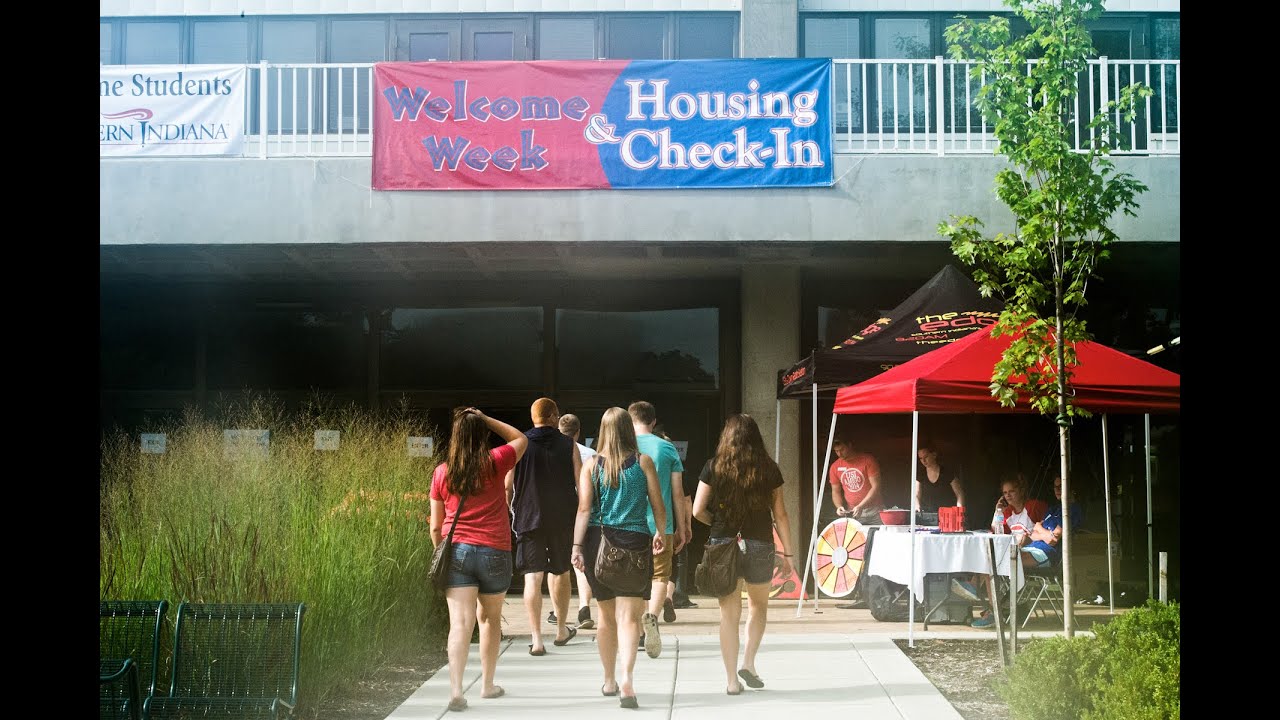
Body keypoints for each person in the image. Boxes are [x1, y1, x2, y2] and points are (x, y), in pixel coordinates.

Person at [429, 407, 528, 712]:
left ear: (455, 437)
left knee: (459, 623)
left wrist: (441, 550)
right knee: (489, 620)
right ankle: (487, 685)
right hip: (495, 550)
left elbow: (435, 525)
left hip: (457, 550)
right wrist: (485, 419)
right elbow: (520, 438)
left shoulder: (442, 472)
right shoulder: (496, 462)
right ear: (481, 434)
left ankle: (457, 690)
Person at [570, 407, 667, 709]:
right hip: (635, 542)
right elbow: (657, 504)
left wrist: (575, 546)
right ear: (627, 429)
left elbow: (584, 509)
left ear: (603, 431)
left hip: (598, 544)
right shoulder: (643, 462)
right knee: (629, 619)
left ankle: (609, 679)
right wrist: (660, 532)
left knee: (605, 617)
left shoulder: (591, 467)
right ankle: (627, 680)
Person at [693, 414, 795, 696]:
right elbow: (781, 515)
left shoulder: (713, 467)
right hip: (760, 543)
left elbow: (697, 510)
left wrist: (717, 524)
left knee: (729, 615)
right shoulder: (769, 469)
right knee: (758, 607)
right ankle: (748, 663)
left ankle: (731, 681)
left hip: (723, 543)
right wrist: (788, 553)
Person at [505, 397, 582, 655]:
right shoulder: (569, 444)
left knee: (532, 576)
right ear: (554, 416)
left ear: (533, 417)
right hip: (562, 517)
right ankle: (561, 629)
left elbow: (507, 485)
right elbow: (582, 485)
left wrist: (511, 510)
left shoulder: (519, 444)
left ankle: (537, 639)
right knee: (560, 571)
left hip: (528, 516)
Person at [627, 401, 689, 658]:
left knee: (636, 579)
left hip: (629, 525)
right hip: (661, 526)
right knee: (660, 576)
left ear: (630, 421)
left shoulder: (623, 447)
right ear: (653, 422)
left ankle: (641, 632)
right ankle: (652, 616)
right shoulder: (667, 448)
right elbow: (677, 493)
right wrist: (682, 527)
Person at [952, 473, 1051, 628]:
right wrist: (997, 510)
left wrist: (1031, 536)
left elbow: (1048, 526)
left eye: (1011, 491)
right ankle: (990, 609)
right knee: (991, 558)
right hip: (1016, 553)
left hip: (1036, 552)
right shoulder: (1007, 512)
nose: (1008, 495)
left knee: (992, 562)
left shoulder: (1034, 506)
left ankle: (983, 599)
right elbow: (996, 532)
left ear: (1021, 491)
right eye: (1005, 493)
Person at [558, 412, 598, 630]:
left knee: (556, 562)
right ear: (578, 431)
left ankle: (557, 609)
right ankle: (584, 606)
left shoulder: (551, 450)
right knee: (580, 559)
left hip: (558, 511)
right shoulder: (591, 454)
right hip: (583, 510)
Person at [827, 433, 884, 526]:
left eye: (842, 449)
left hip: (875, 510)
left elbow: (876, 487)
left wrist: (861, 506)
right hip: (853, 512)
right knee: (856, 540)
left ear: (849, 445)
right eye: (836, 451)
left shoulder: (868, 460)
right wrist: (839, 506)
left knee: (880, 538)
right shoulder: (835, 467)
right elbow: (835, 492)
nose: (839, 454)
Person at [914, 442, 966, 513]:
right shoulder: (920, 474)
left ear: (934, 455)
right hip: (928, 515)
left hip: (947, 515)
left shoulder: (947, 472)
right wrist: (917, 506)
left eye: (926, 457)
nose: (923, 461)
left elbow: (959, 493)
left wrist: (958, 511)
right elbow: (916, 494)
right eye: (920, 458)